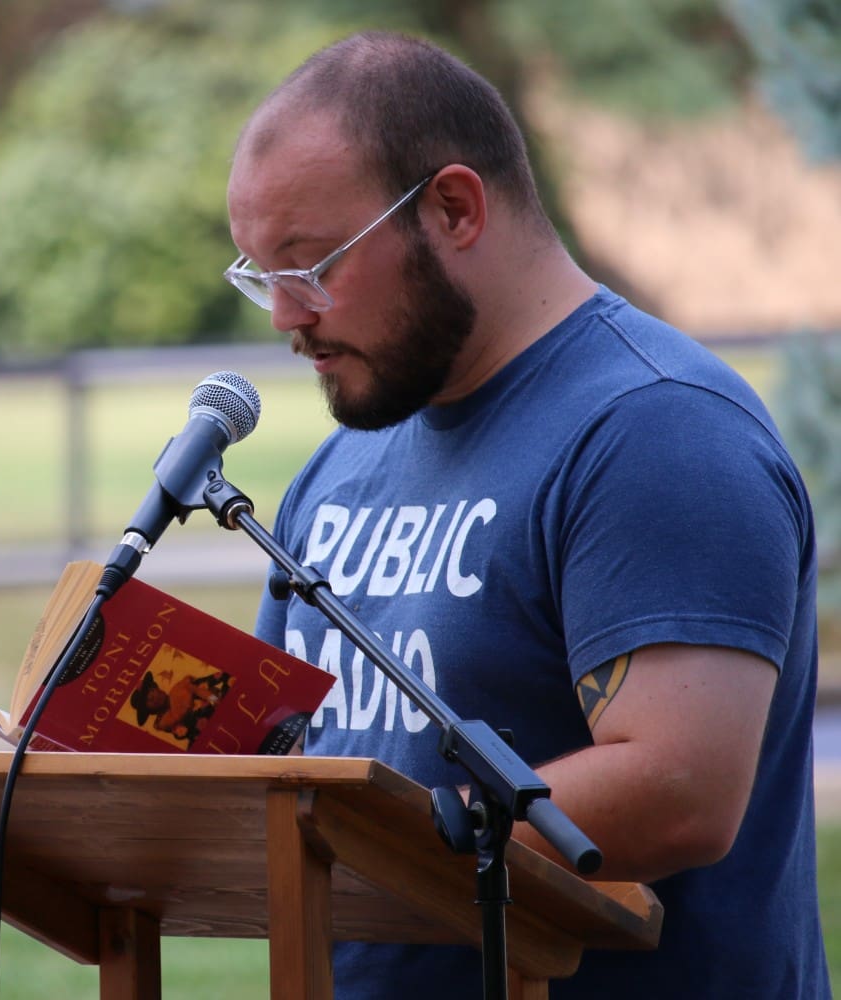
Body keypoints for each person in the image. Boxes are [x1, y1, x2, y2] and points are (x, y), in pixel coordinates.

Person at [223, 30, 831, 999]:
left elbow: (680, 791)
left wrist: (365, 836)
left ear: (455, 208)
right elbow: (285, 757)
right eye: (260, 274)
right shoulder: (340, 468)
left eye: (310, 263)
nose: (286, 316)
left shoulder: (659, 432)